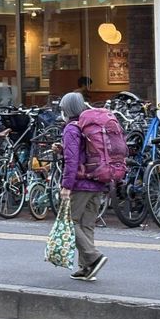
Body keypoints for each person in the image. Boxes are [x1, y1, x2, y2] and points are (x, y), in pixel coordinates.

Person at [58, 92, 108, 281]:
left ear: (67, 109)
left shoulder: (71, 128)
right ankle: (87, 268)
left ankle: (93, 257)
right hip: (97, 180)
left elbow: (72, 161)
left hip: (80, 183)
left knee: (69, 222)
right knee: (86, 225)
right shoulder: (89, 126)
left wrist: (66, 186)